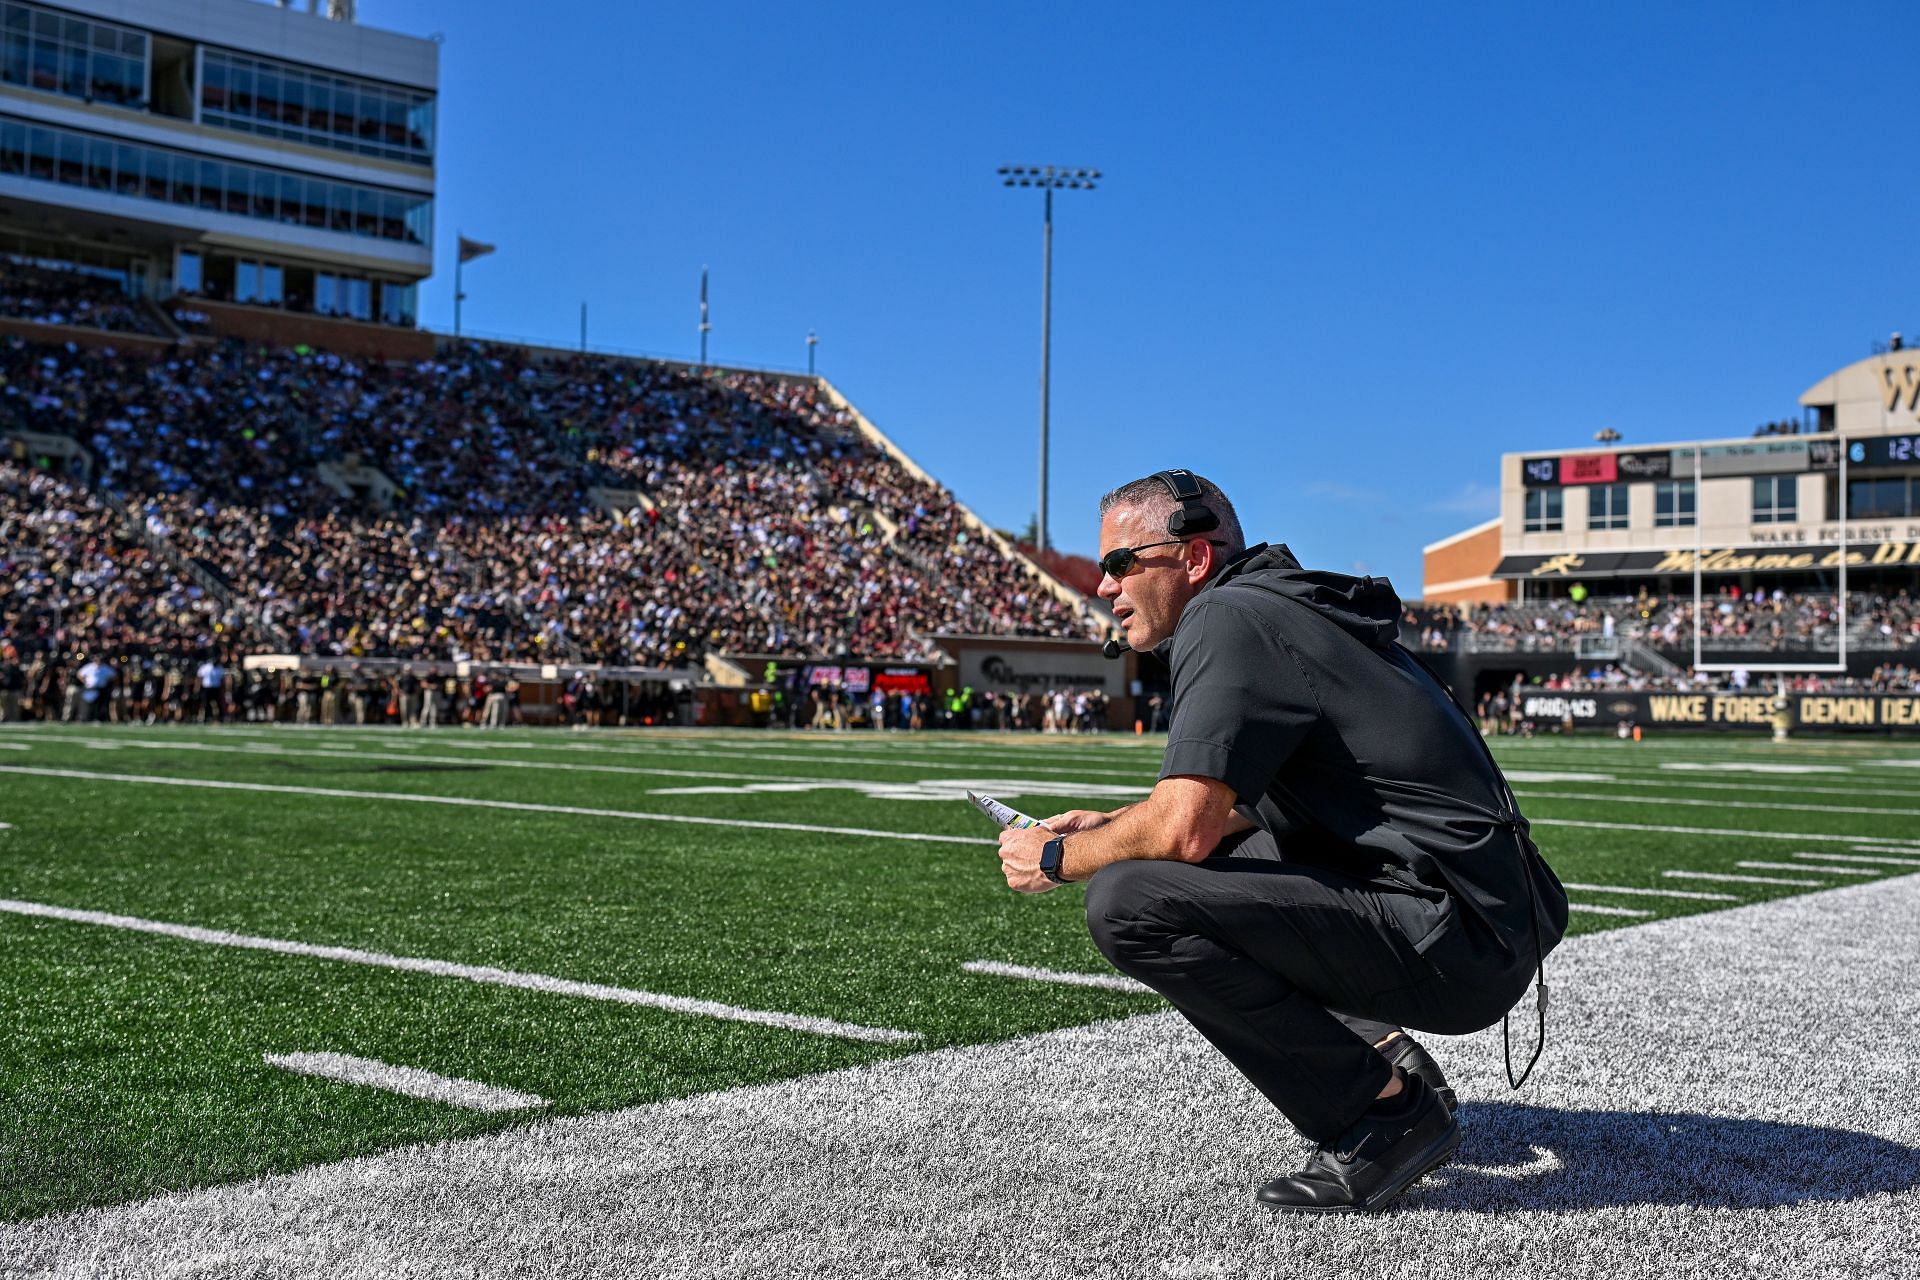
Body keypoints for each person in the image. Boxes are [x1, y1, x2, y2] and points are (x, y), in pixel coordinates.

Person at [995, 470, 1568, 1215]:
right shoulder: (1280, 604)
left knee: (1129, 901)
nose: (1105, 585)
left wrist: (1055, 857)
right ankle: (1388, 1054)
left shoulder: (1226, 616)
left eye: (1119, 563)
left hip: (1457, 937)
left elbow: (1183, 826)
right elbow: (1244, 815)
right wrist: (1109, 827)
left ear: (1193, 558)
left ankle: (1387, 1116)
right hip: (1479, 917)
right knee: (1187, 865)